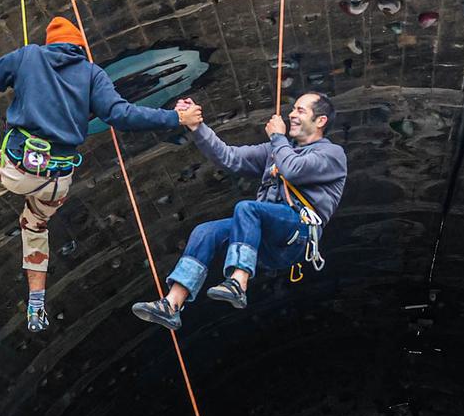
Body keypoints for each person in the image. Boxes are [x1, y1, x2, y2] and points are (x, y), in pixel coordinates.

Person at [0, 17, 204, 332]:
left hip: (17, 167)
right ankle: (36, 302)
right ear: (80, 48)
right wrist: (175, 117)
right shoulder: (93, 74)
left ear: (52, 42)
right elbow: (121, 114)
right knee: (36, 225)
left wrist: (3, 83)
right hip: (57, 180)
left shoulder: (29, 56)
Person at [130, 92, 346, 330]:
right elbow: (229, 157)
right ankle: (171, 304)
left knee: (247, 209)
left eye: (300, 111)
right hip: (265, 234)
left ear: (320, 121)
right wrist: (197, 127)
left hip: (296, 236)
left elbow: (293, 170)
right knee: (206, 231)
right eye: (293, 109)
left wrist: (277, 137)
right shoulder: (276, 149)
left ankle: (238, 283)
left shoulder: (332, 155)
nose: (292, 115)